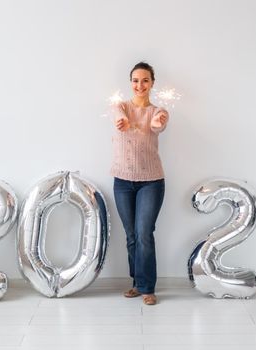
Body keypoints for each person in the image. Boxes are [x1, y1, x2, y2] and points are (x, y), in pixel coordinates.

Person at [111, 62, 169, 305]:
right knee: (131, 236)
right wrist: (124, 122)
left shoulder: (159, 111)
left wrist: (155, 124)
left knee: (144, 233)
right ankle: (137, 282)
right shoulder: (120, 107)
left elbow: (158, 125)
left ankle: (147, 288)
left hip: (151, 182)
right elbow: (120, 119)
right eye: (135, 80)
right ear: (130, 82)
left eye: (145, 80)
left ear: (152, 83)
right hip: (122, 181)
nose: (140, 85)